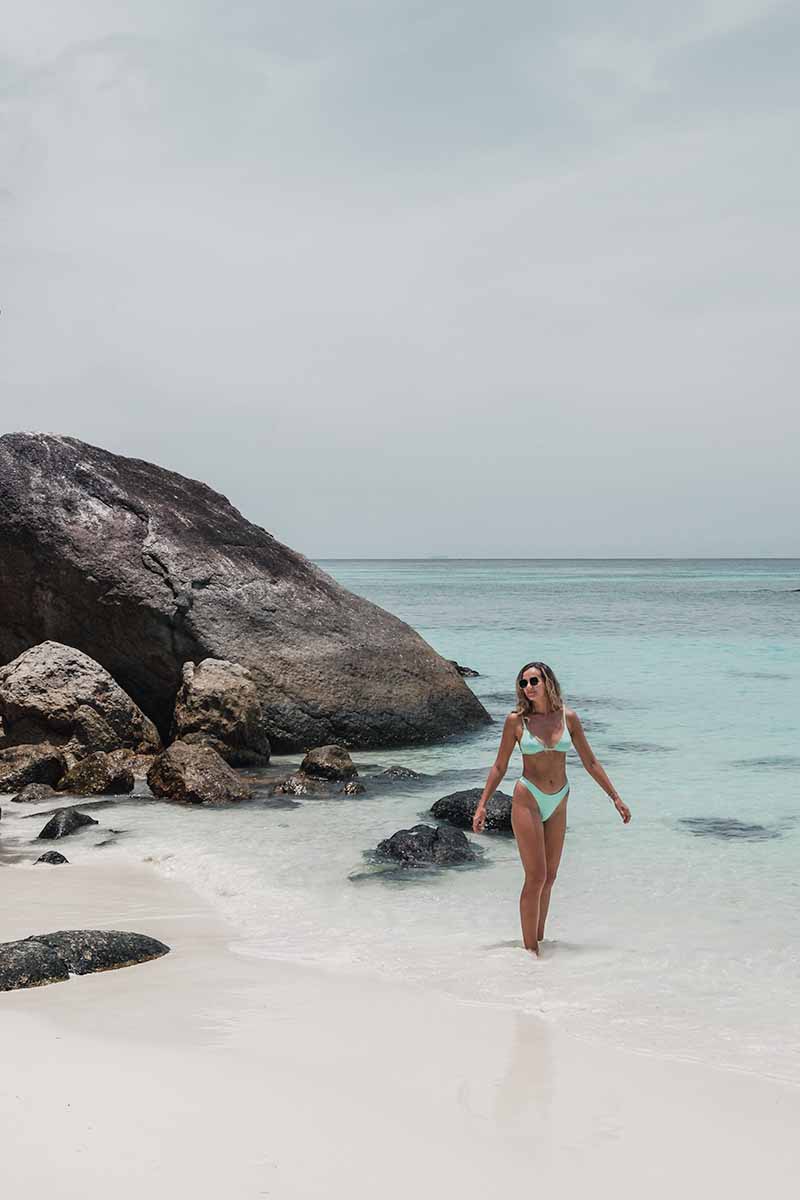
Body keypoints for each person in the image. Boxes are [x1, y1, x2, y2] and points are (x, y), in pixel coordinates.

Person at [472, 661, 631, 955]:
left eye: (534, 681)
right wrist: (482, 805)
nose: (528, 688)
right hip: (528, 797)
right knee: (536, 877)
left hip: (559, 799)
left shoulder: (568, 718)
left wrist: (615, 798)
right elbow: (499, 765)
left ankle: (539, 941)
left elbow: (591, 762)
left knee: (551, 876)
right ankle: (530, 953)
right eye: (523, 683)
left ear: (547, 682)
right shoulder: (516, 722)